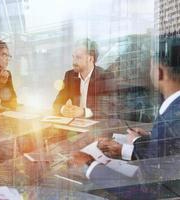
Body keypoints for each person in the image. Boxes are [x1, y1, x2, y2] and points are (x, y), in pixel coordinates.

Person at [68, 36, 180, 199]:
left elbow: (145, 192)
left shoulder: (172, 119)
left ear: (159, 72)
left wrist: (89, 165)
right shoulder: (173, 110)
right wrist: (134, 145)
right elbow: (166, 155)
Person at [53, 38, 107, 118]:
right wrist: (63, 109)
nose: (73, 62)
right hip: (75, 126)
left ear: (90, 59)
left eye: (78, 57)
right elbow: (57, 103)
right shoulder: (70, 76)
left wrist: (83, 112)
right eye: (73, 57)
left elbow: (109, 109)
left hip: (96, 127)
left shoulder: (105, 77)